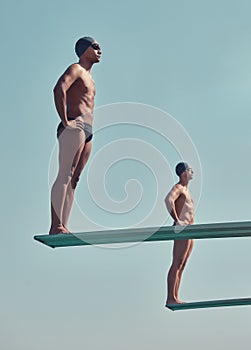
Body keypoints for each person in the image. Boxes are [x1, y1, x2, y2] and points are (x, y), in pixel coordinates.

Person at [49, 36, 102, 234]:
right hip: (74, 126)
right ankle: (55, 225)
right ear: (84, 49)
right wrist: (65, 121)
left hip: (88, 131)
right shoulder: (76, 69)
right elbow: (59, 88)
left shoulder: (90, 78)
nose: (100, 50)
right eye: (95, 47)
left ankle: (64, 225)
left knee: (75, 178)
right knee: (65, 173)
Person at [164, 162, 194, 305]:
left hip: (190, 230)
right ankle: (171, 297)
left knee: (182, 264)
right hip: (183, 229)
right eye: (190, 170)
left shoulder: (187, 190)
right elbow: (168, 200)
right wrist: (177, 220)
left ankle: (176, 296)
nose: (192, 173)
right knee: (176, 262)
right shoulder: (179, 188)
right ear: (183, 173)